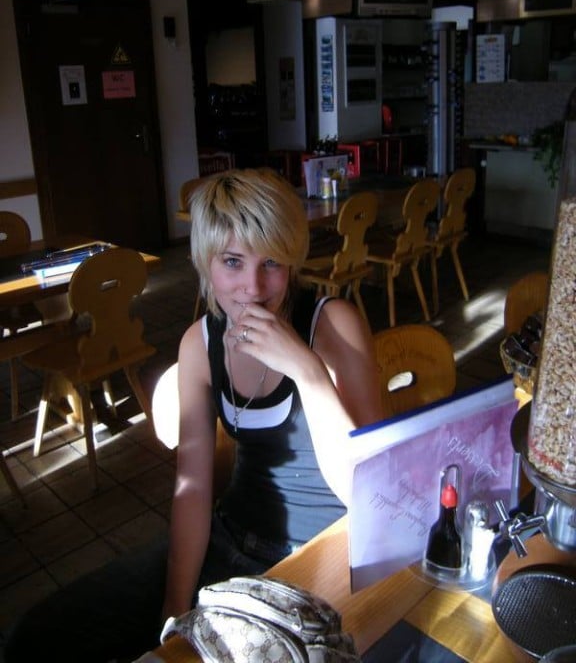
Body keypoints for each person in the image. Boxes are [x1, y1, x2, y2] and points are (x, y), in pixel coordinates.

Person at [4, 167, 381, 662]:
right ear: (206, 263)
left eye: (271, 261)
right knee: (36, 637)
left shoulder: (333, 324)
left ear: (292, 260)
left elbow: (371, 492)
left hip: (319, 553)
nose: (253, 287)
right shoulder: (200, 344)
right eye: (232, 262)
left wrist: (307, 371)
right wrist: (175, 607)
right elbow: (194, 488)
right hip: (228, 539)